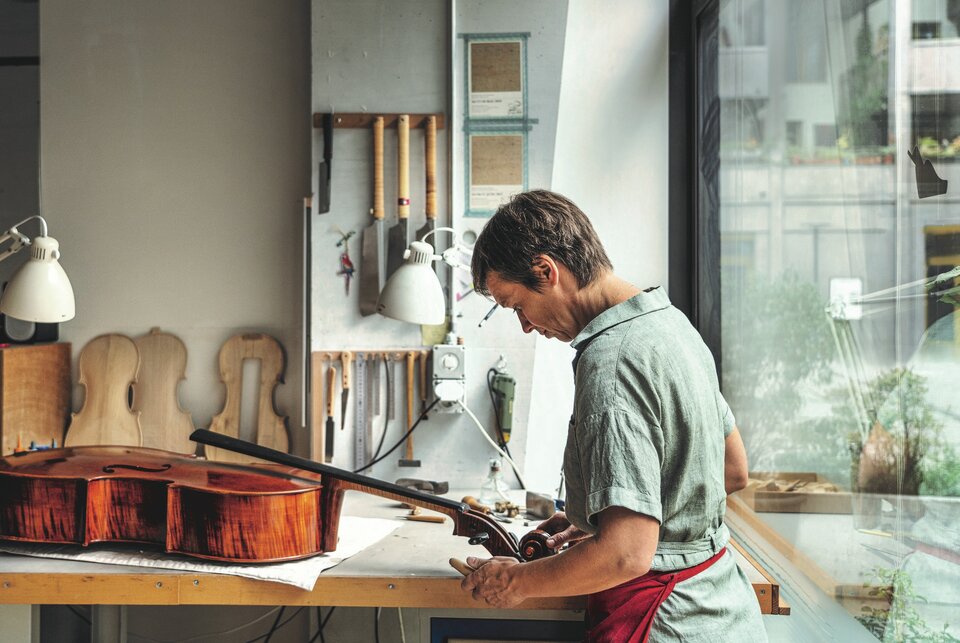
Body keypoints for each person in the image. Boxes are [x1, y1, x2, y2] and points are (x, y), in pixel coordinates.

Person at [462, 190, 767, 642]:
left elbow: (626, 555)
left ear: (547, 271)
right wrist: (596, 516)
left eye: (516, 305)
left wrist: (515, 582)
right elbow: (731, 469)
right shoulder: (670, 326)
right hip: (722, 612)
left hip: (665, 621)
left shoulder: (612, 365)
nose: (525, 325)